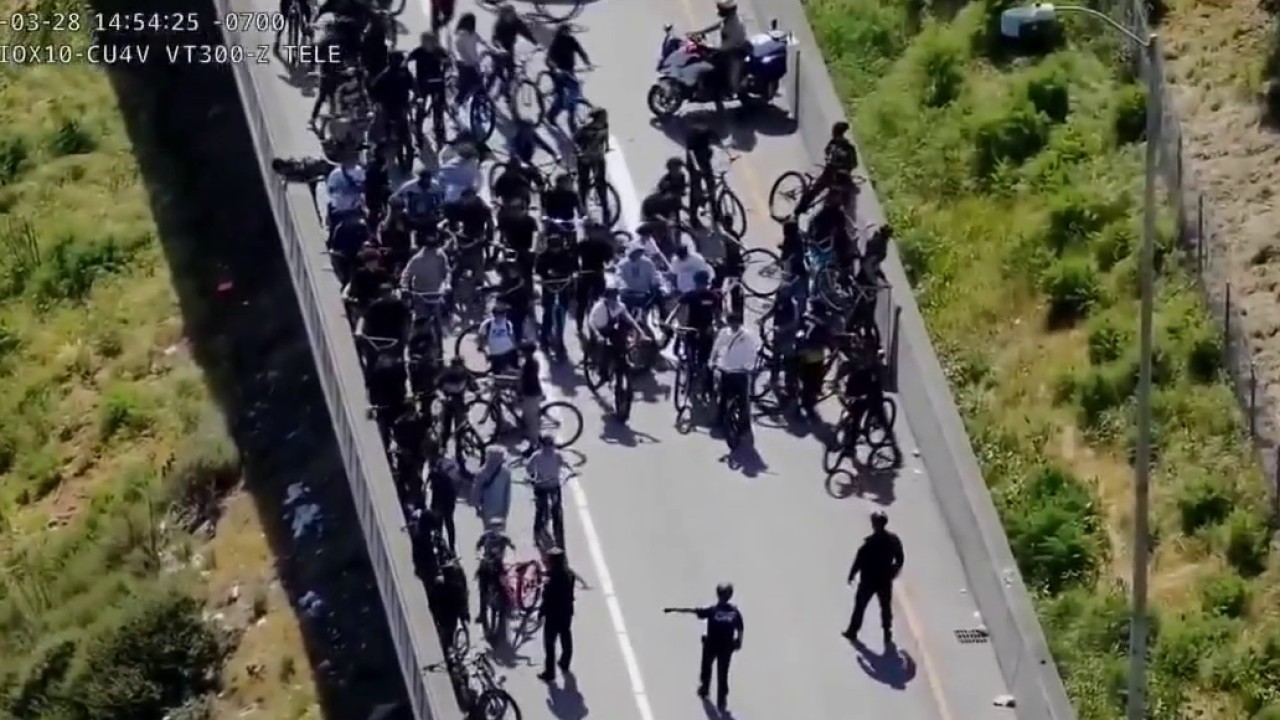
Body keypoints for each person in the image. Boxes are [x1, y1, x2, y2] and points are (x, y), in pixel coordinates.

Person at [663, 582, 744, 712]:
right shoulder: (735, 613)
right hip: (726, 648)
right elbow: (740, 628)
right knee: (723, 674)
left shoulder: (712, 610)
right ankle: (721, 702)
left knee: (706, 667)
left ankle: (705, 688)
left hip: (711, 645)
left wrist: (675, 610)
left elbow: (696, 611)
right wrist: (739, 642)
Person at [845, 511, 904, 644]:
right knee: (885, 606)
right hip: (884, 579)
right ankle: (887, 632)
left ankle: (852, 631)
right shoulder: (892, 540)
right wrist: (894, 570)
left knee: (860, 605)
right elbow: (900, 558)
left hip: (869, 580)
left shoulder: (869, 543)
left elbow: (859, 560)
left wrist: (852, 574)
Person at [690, 0, 749, 110]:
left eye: (721, 9)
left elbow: (727, 45)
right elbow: (718, 25)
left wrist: (709, 47)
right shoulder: (728, 20)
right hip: (728, 49)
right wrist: (699, 32)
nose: (719, 10)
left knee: (732, 83)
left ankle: (731, 92)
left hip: (735, 52)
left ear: (728, 11)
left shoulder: (734, 25)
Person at [538, 547, 583, 682]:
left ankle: (549, 672)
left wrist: (541, 612)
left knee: (550, 644)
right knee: (565, 636)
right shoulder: (568, 575)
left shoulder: (552, 582)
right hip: (566, 612)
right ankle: (565, 661)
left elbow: (547, 598)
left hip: (553, 615)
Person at [795, 121, 859, 217]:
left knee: (815, 191)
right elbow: (853, 164)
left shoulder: (839, 145)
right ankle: (800, 210)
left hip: (835, 175)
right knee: (818, 191)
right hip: (837, 176)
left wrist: (836, 164)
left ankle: (799, 210)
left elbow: (828, 153)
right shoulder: (845, 146)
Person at [586, 281, 645, 383]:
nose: (613, 300)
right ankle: (602, 371)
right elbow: (591, 322)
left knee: (620, 341)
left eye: (615, 297)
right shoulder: (600, 308)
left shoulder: (619, 306)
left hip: (609, 328)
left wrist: (641, 332)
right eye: (611, 298)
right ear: (606, 298)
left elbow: (629, 319)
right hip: (597, 329)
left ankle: (625, 359)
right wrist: (597, 334)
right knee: (602, 346)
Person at [710, 312, 760, 428]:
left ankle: (742, 425)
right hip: (729, 370)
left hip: (738, 371)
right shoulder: (725, 333)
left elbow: (752, 352)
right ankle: (724, 420)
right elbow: (716, 348)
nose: (733, 325)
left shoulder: (746, 336)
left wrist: (749, 366)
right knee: (725, 397)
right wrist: (712, 361)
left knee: (741, 400)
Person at [545, 22, 593, 129]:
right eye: (565, 31)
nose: (567, 33)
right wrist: (555, 68)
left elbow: (580, 51)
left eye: (568, 31)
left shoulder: (571, 41)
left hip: (569, 70)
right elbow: (549, 59)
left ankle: (571, 121)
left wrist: (587, 62)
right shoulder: (556, 43)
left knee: (574, 95)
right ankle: (551, 115)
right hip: (559, 72)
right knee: (561, 98)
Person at [408, 32, 450, 147]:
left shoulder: (439, 51)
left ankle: (439, 133)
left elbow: (448, 60)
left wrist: (446, 64)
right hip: (423, 84)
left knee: (438, 109)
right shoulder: (418, 52)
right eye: (426, 42)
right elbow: (407, 61)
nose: (428, 45)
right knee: (420, 109)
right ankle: (418, 133)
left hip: (437, 83)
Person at [527, 434, 568, 547]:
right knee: (555, 512)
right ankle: (558, 539)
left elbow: (529, 467)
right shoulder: (557, 455)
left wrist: (533, 477)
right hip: (552, 486)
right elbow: (563, 464)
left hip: (541, 486)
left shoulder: (537, 456)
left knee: (542, 511)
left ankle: (537, 535)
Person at [489, 4, 536, 103]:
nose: (512, 16)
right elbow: (495, 39)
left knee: (511, 72)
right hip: (498, 50)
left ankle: (505, 92)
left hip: (509, 48)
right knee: (497, 72)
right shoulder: (499, 25)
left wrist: (534, 42)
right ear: (504, 15)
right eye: (510, 14)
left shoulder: (516, 22)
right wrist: (501, 49)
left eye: (513, 13)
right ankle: (486, 90)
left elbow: (524, 31)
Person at [369, 50, 414, 150]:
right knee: (396, 123)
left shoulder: (386, 74)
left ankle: (404, 144)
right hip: (396, 104)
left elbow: (374, 89)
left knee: (399, 123)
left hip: (396, 104)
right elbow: (412, 85)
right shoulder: (397, 73)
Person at [400, 234, 450, 319]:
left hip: (436, 293)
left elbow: (447, 271)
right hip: (420, 294)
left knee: (440, 316)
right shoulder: (417, 259)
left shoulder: (440, 256)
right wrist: (404, 286)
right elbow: (406, 274)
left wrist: (447, 284)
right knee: (420, 317)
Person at [572, 108, 610, 214]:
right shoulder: (585, 129)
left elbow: (605, 135)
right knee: (584, 182)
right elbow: (576, 141)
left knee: (601, 182)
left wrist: (607, 146)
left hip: (598, 157)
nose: (606, 118)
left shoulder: (604, 125)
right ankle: (582, 206)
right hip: (585, 159)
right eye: (603, 116)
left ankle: (604, 204)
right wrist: (579, 151)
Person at [685, 117, 720, 223]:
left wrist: (727, 151)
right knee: (696, 189)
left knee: (711, 185)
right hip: (694, 163)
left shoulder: (708, 132)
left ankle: (715, 211)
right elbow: (691, 153)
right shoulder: (692, 135)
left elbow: (718, 141)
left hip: (705, 160)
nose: (704, 128)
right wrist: (696, 167)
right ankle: (693, 216)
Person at [449, 13, 490, 102]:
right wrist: (467, 60)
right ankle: (456, 103)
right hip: (464, 64)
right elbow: (459, 50)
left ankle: (480, 101)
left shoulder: (473, 34)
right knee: (466, 86)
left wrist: (491, 49)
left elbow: (483, 42)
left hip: (473, 62)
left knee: (479, 82)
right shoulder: (460, 36)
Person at [392, 163, 443, 230]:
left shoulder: (435, 186)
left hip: (428, 212)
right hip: (412, 212)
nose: (426, 183)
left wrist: (438, 210)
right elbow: (396, 196)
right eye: (423, 181)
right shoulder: (408, 186)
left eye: (428, 181)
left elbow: (440, 200)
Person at [617, 244, 663, 316]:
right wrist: (624, 288)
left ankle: (663, 317)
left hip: (644, 292)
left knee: (659, 298)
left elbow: (653, 277)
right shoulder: (623, 264)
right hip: (628, 293)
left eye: (638, 252)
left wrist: (654, 286)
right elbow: (619, 278)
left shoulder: (648, 263)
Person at [425, 457, 460, 552]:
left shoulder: (434, 475)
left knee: (439, 524)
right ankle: (451, 547)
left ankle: (440, 546)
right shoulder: (443, 474)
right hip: (449, 501)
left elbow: (434, 492)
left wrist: (433, 507)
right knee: (449, 523)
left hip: (441, 502)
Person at [477, 302, 519, 374]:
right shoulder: (487, 324)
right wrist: (482, 346)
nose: (501, 318)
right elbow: (481, 335)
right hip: (495, 354)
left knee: (513, 372)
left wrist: (517, 350)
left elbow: (512, 338)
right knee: (497, 374)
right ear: (494, 315)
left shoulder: (507, 323)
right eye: (499, 315)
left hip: (509, 352)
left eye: (502, 315)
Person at [517, 342, 544, 448]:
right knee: (527, 416)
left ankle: (534, 445)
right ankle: (528, 434)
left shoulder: (529, 365)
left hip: (531, 394)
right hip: (534, 392)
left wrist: (519, 391)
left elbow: (524, 380)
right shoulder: (533, 362)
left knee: (532, 421)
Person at [325, 154, 365, 224]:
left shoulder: (359, 170)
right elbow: (330, 193)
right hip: (340, 211)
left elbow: (363, 187)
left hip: (355, 210)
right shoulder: (335, 174)